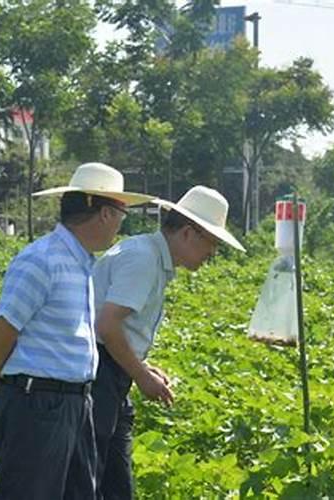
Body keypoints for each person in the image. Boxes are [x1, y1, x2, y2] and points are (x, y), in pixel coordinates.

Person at [0, 163, 152, 499]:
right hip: (36, 403)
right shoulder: (42, 259)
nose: (119, 225)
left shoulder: (81, 262)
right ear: (104, 214)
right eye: (120, 215)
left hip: (75, 401)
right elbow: (3, 328)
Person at [91, 186, 245, 499]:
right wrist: (141, 375)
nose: (212, 254)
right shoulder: (143, 260)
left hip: (110, 370)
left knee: (114, 485)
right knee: (94, 480)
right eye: (212, 243)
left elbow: (113, 327)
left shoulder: (148, 255)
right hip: (97, 373)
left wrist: (140, 366)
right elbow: (106, 326)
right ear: (189, 233)